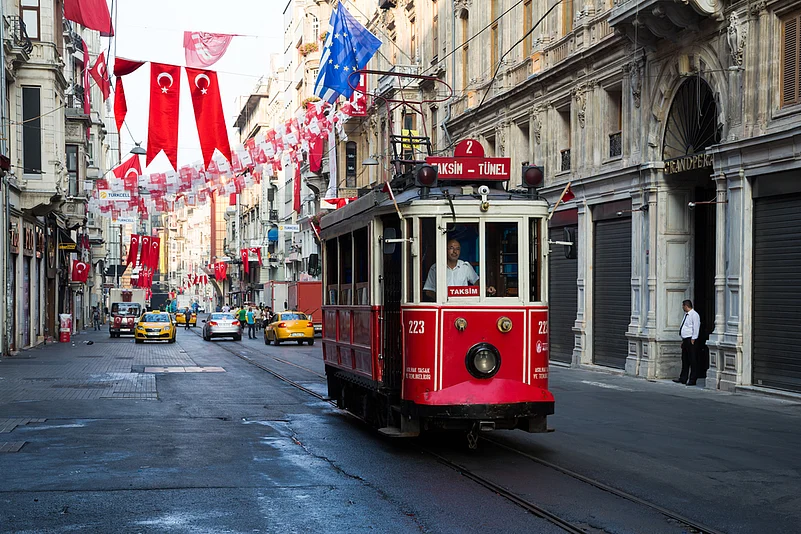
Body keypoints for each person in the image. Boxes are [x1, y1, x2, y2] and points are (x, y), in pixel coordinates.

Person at [423, 238, 496, 300]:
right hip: (444, 306)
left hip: (462, 305)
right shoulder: (436, 268)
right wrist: (443, 298)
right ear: (445, 250)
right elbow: (428, 291)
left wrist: (487, 289)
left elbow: (476, 283)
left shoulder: (465, 266)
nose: (455, 252)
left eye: (457, 249)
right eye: (451, 248)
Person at [674, 299, 701, 386]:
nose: (682, 307)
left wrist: (693, 338)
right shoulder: (686, 315)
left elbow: (696, 327)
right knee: (684, 359)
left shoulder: (694, 315)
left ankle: (692, 379)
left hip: (691, 340)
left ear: (686, 306)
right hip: (685, 340)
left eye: (683, 306)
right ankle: (683, 378)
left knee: (692, 360)